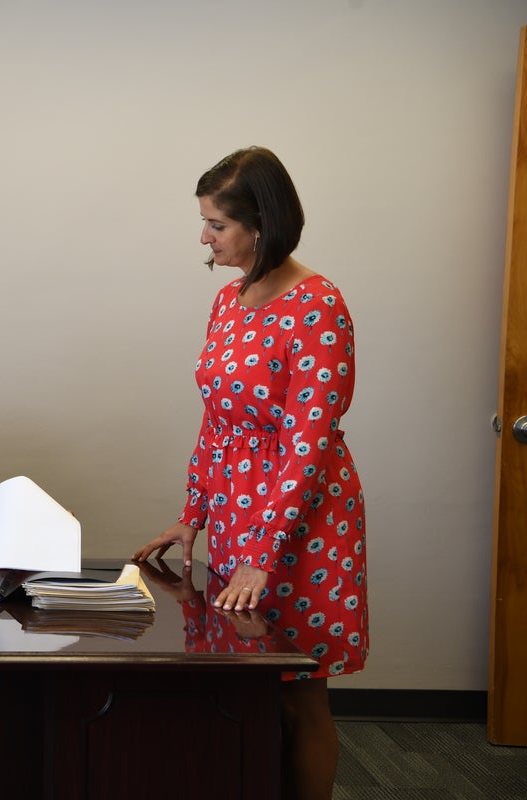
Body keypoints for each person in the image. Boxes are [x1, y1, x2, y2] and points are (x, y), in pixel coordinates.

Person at [132, 147, 367, 800]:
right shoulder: (228, 302)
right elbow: (217, 423)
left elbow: (307, 444)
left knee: (299, 697)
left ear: (263, 221)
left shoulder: (318, 305)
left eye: (216, 224)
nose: (203, 237)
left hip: (302, 527)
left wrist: (263, 554)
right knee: (244, 687)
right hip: (239, 518)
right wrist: (194, 514)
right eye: (204, 221)